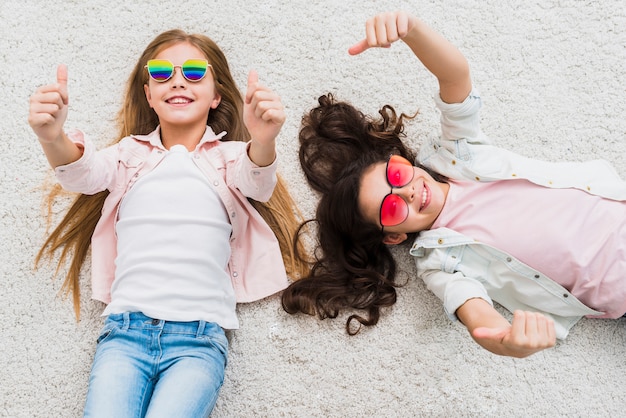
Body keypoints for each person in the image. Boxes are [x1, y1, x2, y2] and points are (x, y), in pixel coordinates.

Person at [281, 11, 626, 359]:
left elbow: (455, 75)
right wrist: (507, 342)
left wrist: (410, 29)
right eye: (392, 206)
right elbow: (477, 316)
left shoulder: (457, 155)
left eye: (396, 176)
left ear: (399, 161)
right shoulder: (439, 261)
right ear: (393, 236)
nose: (409, 191)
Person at [29, 29, 306, 417]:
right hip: (124, 334)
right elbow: (83, 174)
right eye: (161, 72)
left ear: (217, 96)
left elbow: (258, 183)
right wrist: (51, 135)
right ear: (148, 95)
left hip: (198, 342)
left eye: (194, 72)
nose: (177, 79)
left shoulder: (229, 158)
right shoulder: (130, 154)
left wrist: (264, 140)